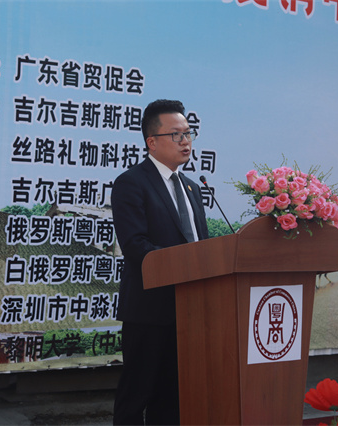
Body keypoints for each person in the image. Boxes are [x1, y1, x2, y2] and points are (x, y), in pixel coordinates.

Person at [111, 99, 209, 425]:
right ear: (152, 142)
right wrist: (185, 266)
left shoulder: (192, 188)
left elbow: (202, 245)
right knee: (136, 396)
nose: (186, 141)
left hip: (190, 310)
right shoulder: (132, 183)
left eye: (188, 133)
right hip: (149, 310)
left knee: (172, 399)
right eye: (176, 134)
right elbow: (135, 245)